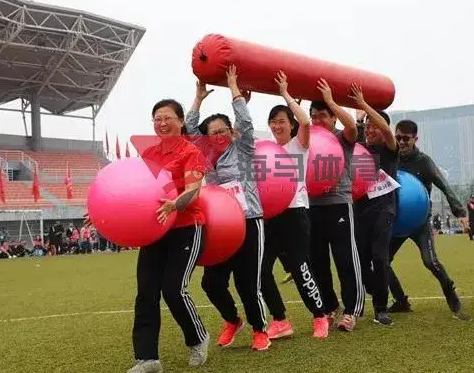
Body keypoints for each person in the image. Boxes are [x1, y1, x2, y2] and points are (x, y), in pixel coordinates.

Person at [87, 98, 210, 373]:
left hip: (187, 228)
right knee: (146, 292)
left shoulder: (191, 152)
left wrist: (174, 204)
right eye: (157, 119)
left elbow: (194, 191)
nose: (162, 123)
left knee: (174, 290)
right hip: (154, 230)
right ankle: (147, 359)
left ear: (180, 121)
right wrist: (101, 210)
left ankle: (198, 338)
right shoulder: (150, 154)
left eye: (168, 118)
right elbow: (131, 190)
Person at [185, 65, 270, 351]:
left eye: (223, 131)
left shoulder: (243, 148)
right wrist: (198, 98)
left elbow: (245, 121)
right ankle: (233, 320)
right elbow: (190, 132)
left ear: (231, 132)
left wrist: (234, 88)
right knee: (211, 282)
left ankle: (260, 330)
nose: (218, 136)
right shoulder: (206, 155)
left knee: (248, 283)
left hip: (249, 222)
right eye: (213, 133)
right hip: (221, 228)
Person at [260, 71, 330, 340]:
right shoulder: (266, 149)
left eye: (281, 121)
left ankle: (320, 316)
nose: (276, 126)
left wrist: (285, 93)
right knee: (261, 270)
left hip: (295, 213)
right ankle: (280, 320)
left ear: (290, 124)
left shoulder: (298, 146)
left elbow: (305, 120)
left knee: (300, 268)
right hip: (270, 216)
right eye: (273, 122)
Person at [387, 119, 471, 321]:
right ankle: (401, 301)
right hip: (397, 223)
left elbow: (444, 185)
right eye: (398, 138)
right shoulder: (391, 158)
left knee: (430, 262)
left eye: (406, 138)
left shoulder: (424, 162)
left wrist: (460, 212)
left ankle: (450, 291)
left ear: (415, 139)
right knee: (381, 261)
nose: (401, 142)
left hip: (419, 222)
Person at [307, 79, 365, 332]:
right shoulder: (306, 139)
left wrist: (331, 101)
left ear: (333, 118)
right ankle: (330, 306)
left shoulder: (342, 138)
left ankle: (351, 311)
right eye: (313, 116)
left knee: (345, 259)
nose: (317, 121)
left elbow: (352, 125)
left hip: (339, 204)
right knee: (318, 260)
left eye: (322, 116)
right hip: (312, 205)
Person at [351, 83, 399, 326]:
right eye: (368, 127)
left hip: (384, 210)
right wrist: (359, 120)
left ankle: (381, 309)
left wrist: (364, 105)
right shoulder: (361, 148)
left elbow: (387, 131)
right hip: (360, 210)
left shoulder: (389, 149)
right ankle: (375, 291)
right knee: (359, 260)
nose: (370, 130)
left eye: (374, 126)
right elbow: (354, 135)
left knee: (380, 258)